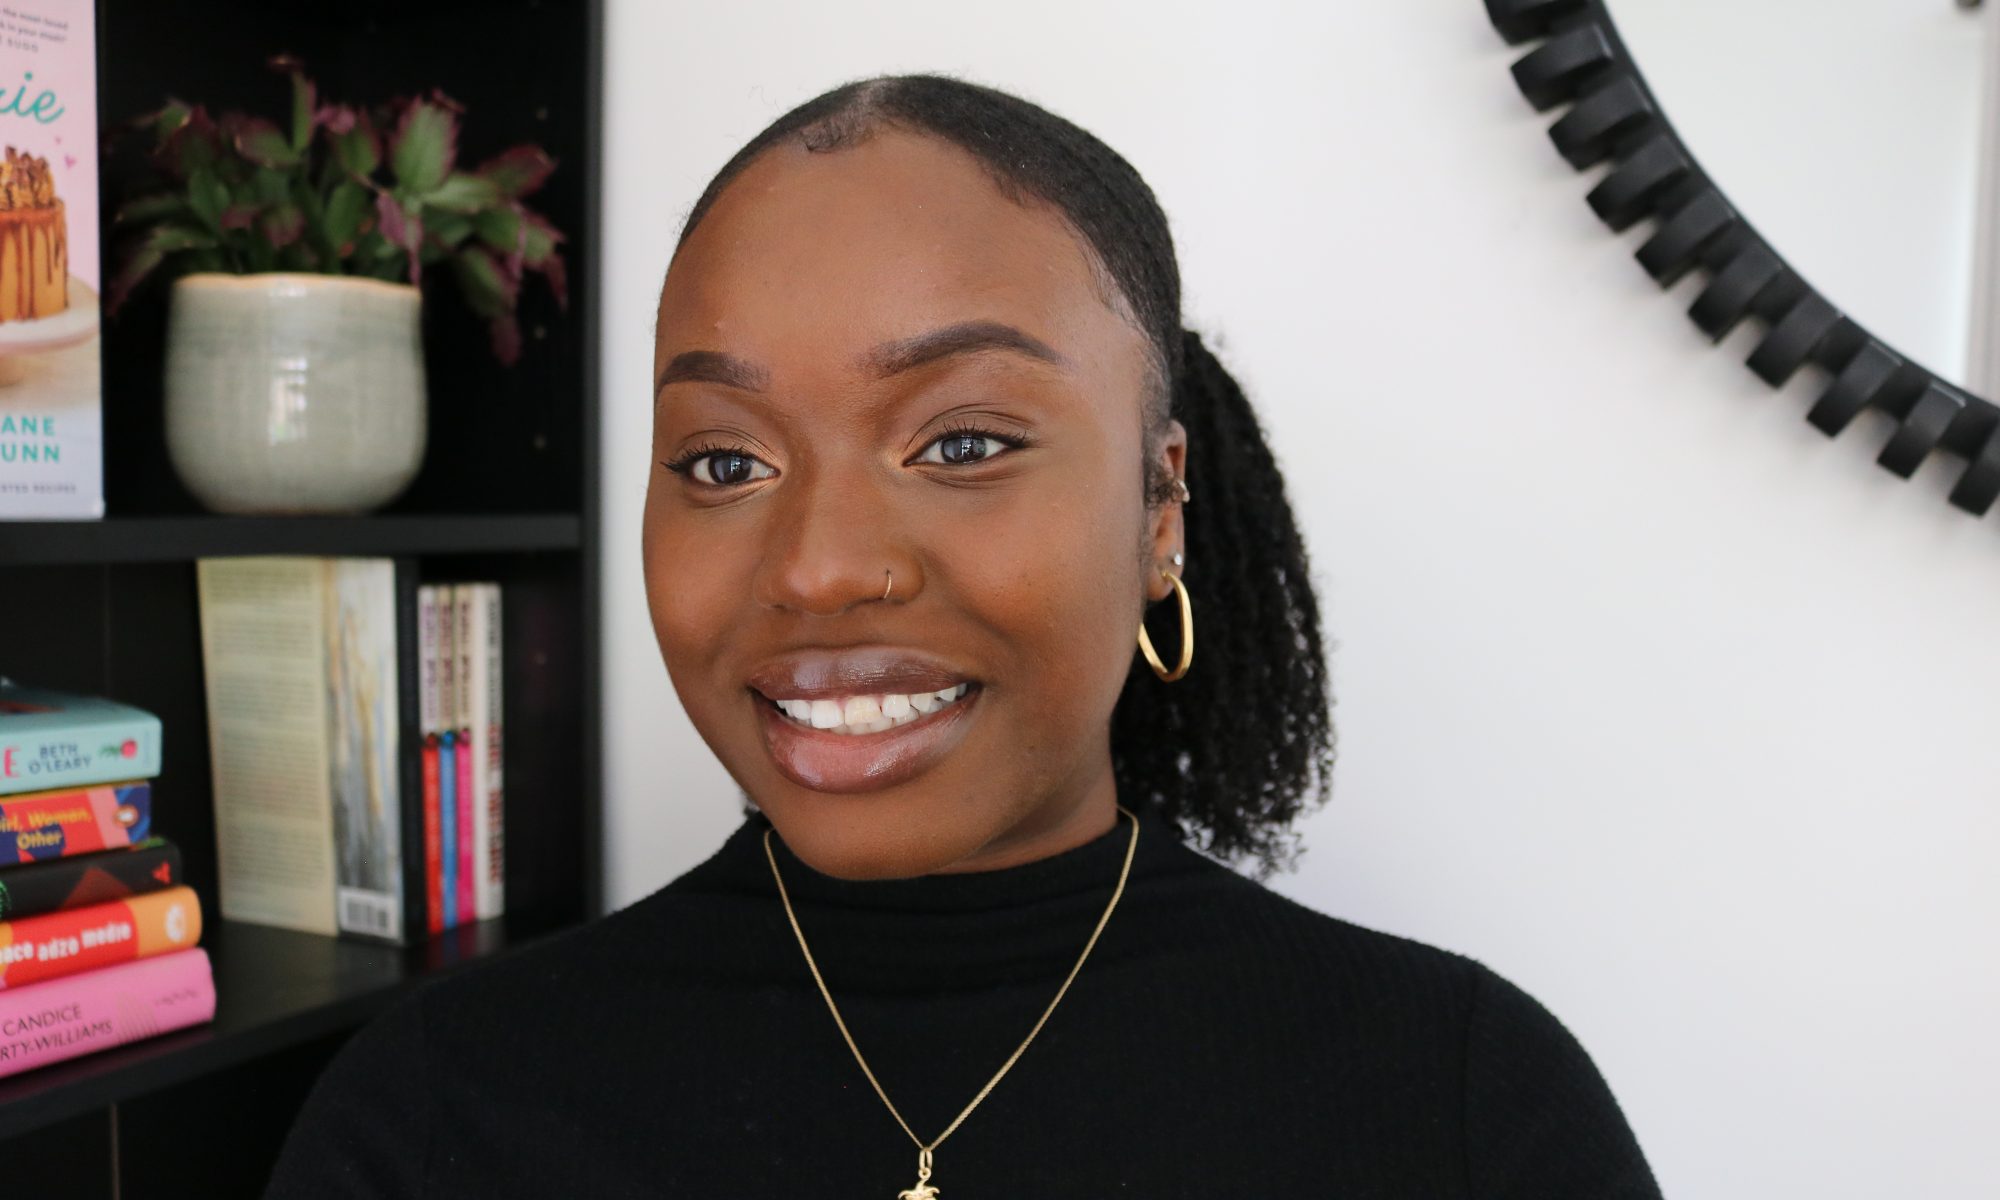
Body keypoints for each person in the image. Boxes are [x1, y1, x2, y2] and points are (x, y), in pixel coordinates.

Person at [264, 73, 1663, 1198]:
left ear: (1159, 504)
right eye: (722, 462)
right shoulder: (434, 1115)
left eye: (966, 440)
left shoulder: (1465, 1111)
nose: (819, 568)